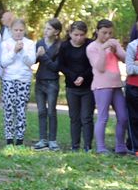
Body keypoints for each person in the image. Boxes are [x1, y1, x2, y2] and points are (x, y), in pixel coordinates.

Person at [87, 19, 128, 154]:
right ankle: (101, 147)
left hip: (116, 85)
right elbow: (99, 67)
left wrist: (116, 49)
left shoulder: (114, 43)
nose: (107, 36)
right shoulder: (92, 47)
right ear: (97, 31)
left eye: (110, 33)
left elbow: (125, 59)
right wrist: (103, 50)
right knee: (103, 117)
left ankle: (120, 146)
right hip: (101, 86)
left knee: (123, 116)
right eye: (104, 33)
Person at [57, 21, 94, 152]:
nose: (79, 38)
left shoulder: (90, 45)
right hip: (71, 87)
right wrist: (73, 77)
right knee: (74, 117)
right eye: (76, 35)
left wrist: (83, 76)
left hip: (88, 87)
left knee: (86, 117)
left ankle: (88, 146)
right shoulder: (65, 46)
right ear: (70, 34)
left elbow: (92, 64)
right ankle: (75, 145)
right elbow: (61, 65)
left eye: (82, 35)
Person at [0, 19, 36, 146]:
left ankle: (19, 139)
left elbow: (31, 61)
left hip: (23, 79)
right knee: (9, 108)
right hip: (9, 79)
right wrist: (14, 51)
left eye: (21, 30)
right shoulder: (5, 44)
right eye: (16, 30)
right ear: (11, 31)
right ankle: (9, 138)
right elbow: (3, 62)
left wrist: (22, 51)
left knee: (21, 109)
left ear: (24, 30)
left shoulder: (30, 43)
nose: (18, 32)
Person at [34, 19, 63, 150]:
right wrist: (36, 55)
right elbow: (33, 61)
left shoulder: (60, 46)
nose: (46, 31)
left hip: (52, 81)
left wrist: (44, 56)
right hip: (39, 81)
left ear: (56, 32)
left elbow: (56, 67)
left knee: (51, 111)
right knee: (41, 111)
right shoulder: (39, 43)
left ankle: (52, 140)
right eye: (45, 28)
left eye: (49, 29)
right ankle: (42, 139)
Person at [125, 35, 138, 152]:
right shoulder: (133, 46)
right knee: (134, 118)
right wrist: (134, 65)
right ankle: (135, 147)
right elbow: (129, 69)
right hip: (134, 88)